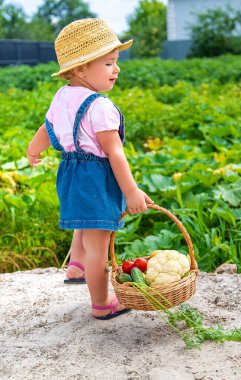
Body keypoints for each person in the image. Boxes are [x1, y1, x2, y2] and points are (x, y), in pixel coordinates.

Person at [26, 18, 153, 320]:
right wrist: (131, 190)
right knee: (100, 240)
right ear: (81, 69)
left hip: (70, 174)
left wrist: (34, 150)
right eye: (109, 63)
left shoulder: (61, 97)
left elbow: (47, 128)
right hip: (96, 176)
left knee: (85, 219)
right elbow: (115, 154)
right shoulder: (100, 106)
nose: (117, 69)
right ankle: (101, 303)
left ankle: (76, 265)